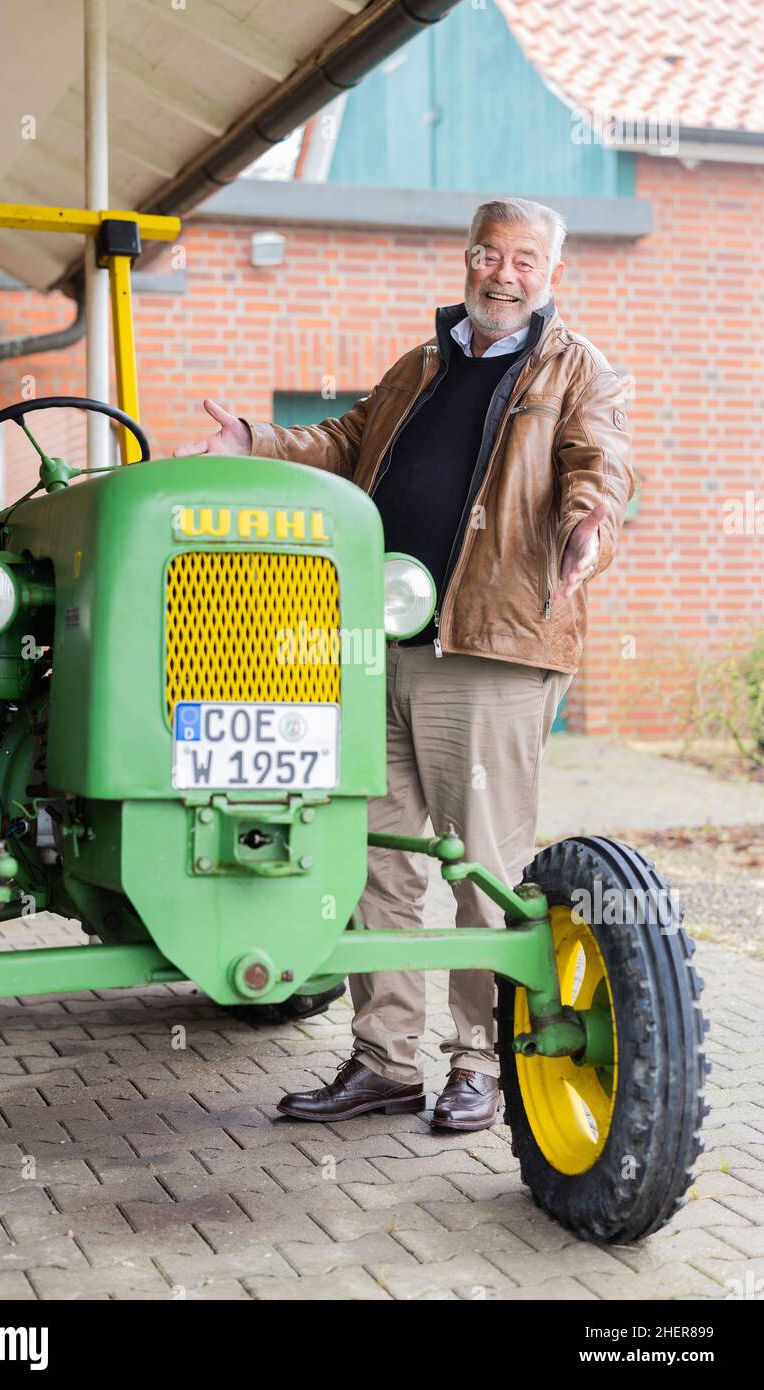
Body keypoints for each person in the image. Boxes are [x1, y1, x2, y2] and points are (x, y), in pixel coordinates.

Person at [183, 196, 633, 1131]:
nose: (500, 274)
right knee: (373, 859)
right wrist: (256, 441)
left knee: (481, 868)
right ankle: (384, 1059)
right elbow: (344, 444)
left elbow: (601, 460)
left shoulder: (573, 368)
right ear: (466, 259)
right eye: (486, 254)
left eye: (521, 260)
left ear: (549, 274)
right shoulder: (423, 362)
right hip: (377, 645)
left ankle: (477, 1063)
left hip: (492, 647)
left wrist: (591, 516)